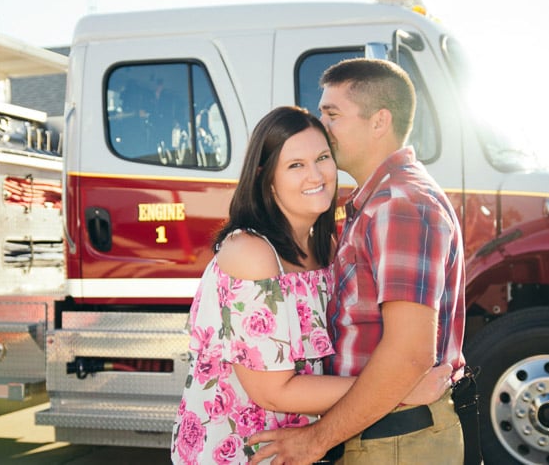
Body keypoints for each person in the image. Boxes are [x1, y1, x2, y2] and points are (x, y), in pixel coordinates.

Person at [170, 106, 451, 465]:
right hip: (239, 450)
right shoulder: (251, 252)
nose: (316, 175)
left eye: (322, 158)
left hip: (298, 447)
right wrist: (401, 389)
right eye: (295, 165)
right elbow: (273, 392)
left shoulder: (324, 248)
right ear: (264, 177)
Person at [249, 59, 467, 465]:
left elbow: (409, 354)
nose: (321, 128)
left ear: (379, 121)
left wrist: (316, 440)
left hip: (395, 439)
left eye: (332, 114)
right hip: (384, 429)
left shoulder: (398, 204)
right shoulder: (381, 200)